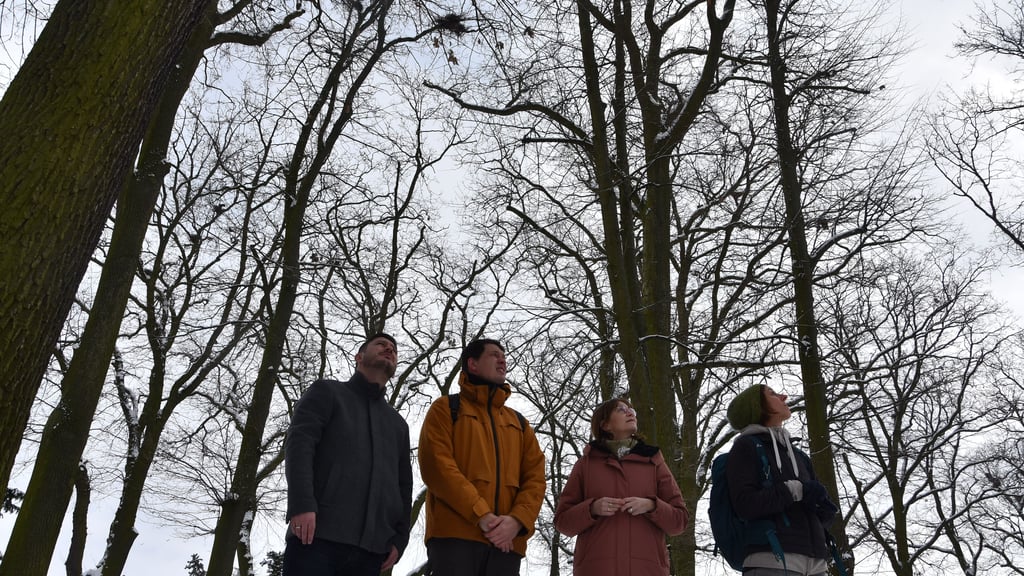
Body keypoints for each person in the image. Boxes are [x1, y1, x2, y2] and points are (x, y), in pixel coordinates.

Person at [283, 333, 412, 576]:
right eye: (381, 344)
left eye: (393, 349)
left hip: (372, 552)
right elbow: (300, 445)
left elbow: (404, 485)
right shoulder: (327, 392)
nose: (389, 349)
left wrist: (400, 538)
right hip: (316, 537)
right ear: (359, 357)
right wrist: (301, 504)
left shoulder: (398, 425)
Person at [418, 338, 547, 576]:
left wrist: (517, 521)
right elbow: (438, 467)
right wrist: (481, 515)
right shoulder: (446, 409)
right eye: (494, 355)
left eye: (504, 356)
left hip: (507, 545)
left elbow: (536, 478)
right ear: (473, 364)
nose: (502, 360)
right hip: (455, 539)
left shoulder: (519, 423)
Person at [553, 398, 689, 576]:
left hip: (648, 571)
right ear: (605, 425)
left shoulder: (653, 461)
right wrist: (592, 508)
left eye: (632, 410)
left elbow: (680, 521)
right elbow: (563, 523)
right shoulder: (585, 465)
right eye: (621, 409)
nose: (630, 412)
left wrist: (652, 505)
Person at [725, 384, 839, 576]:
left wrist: (823, 506)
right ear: (757, 407)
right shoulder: (746, 447)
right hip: (771, 562)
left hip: (817, 566)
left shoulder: (798, 456)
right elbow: (745, 504)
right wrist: (794, 490)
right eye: (773, 394)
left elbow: (819, 515)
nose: (784, 396)